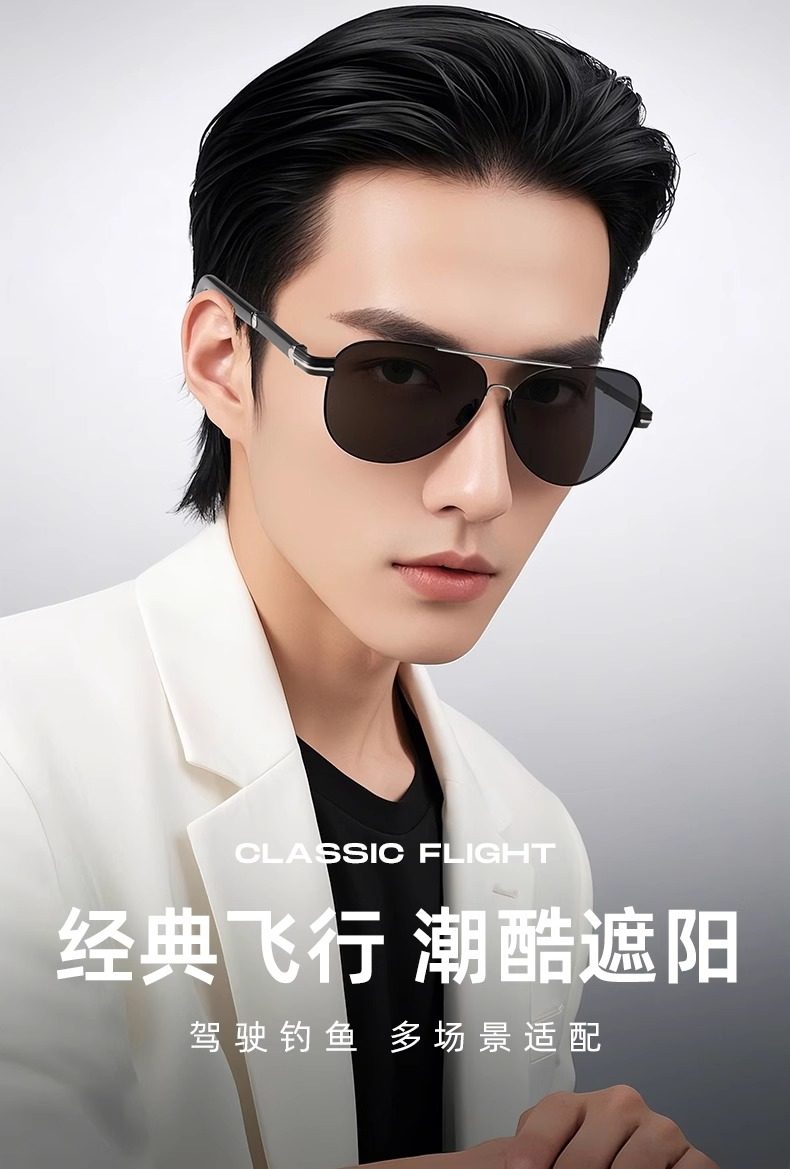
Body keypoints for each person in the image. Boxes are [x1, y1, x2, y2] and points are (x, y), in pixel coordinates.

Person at [0, 5, 718, 1168]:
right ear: (223, 362)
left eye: (550, 398)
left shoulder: (532, 834)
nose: (479, 486)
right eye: (396, 377)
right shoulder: (20, 751)